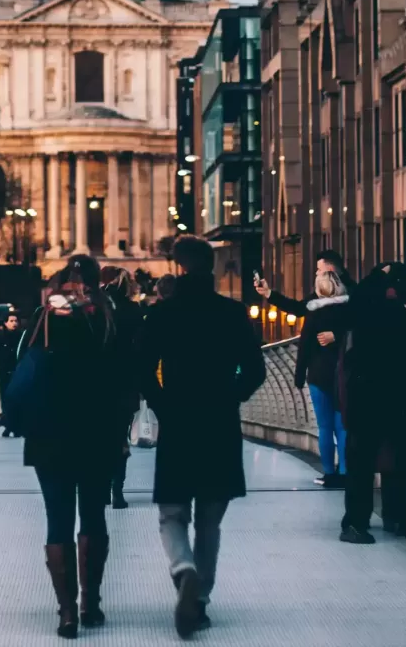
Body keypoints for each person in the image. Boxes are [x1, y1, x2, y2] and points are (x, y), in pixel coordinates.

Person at [139, 235, 265, 640]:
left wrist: (162, 404)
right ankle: (202, 601)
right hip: (219, 424)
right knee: (210, 519)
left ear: (178, 268)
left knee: (172, 513)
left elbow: (141, 369)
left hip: (178, 424)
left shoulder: (162, 313)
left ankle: (183, 570)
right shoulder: (232, 313)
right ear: (210, 267)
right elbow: (256, 370)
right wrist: (231, 395)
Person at [21, 254, 125, 639]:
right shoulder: (107, 319)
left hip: (49, 433)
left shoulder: (44, 317)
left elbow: (23, 366)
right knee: (94, 516)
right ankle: (91, 603)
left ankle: (66, 612)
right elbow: (125, 376)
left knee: (57, 518)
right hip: (97, 433)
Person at [339, 261, 406, 544]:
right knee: (404, 459)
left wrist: (377, 275)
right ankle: (401, 517)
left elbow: (357, 299)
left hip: (369, 394)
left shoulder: (368, 312)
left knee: (362, 460)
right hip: (402, 395)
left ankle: (357, 523)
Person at [294, 271, 350, 487]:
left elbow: (305, 346)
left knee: (324, 427)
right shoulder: (348, 312)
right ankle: (344, 471)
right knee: (342, 425)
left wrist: (299, 377)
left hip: (318, 374)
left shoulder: (314, 314)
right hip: (343, 373)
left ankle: (328, 473)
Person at [100, 265, 144, 509]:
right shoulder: (134, 309)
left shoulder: (94, 309)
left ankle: (102, 488)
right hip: (125, 385)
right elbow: (141, 348)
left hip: (96, 386)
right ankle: (118, 490)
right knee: (120, 438)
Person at [254, 249, 354, 317]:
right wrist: (268, 293)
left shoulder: (350, 293)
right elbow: (299, 308)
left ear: (330, 269)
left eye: (319, 269)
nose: (316, 273)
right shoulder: (324, 291)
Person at [0, 310, 23, 437]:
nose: (14, 323)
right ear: (5, 323)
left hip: (17, 370)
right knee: (4, 397)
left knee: (16, 398)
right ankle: (9, 425)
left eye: (16, 321)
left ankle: (14, 425)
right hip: (3, 370)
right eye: (11, 321)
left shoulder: (22, 337)